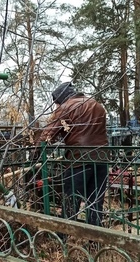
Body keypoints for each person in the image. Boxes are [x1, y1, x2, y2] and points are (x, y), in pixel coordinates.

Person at [40, 82, 109, 228]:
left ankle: (63, 240)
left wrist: (37, 152)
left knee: (71, 201)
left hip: (79, 161)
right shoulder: (97, 105)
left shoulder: (66, 108)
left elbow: (47, 136)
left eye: (56, 102)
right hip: (101, 158)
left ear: (61, 98)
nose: (56, 106)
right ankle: (94, 243)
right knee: (95, 203)